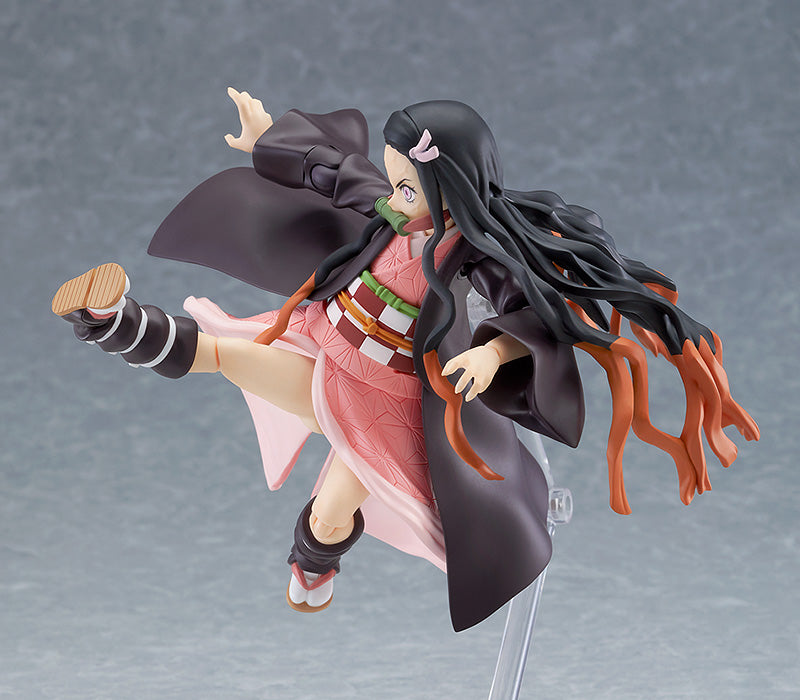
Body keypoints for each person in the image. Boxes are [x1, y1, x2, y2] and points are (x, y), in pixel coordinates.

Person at [52, 88, 759, 632]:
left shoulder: (474, 253)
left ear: (450, 192)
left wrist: (493, 355)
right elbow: (333, 171)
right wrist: (270, 136)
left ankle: (313, 564)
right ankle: (108, 321)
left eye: (409, 189)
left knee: (330, 518)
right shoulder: (389, 212)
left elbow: (533, 311)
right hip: (322, 341)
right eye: (395, 185)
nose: (394, 200)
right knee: (225, 352)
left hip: (382, 399)